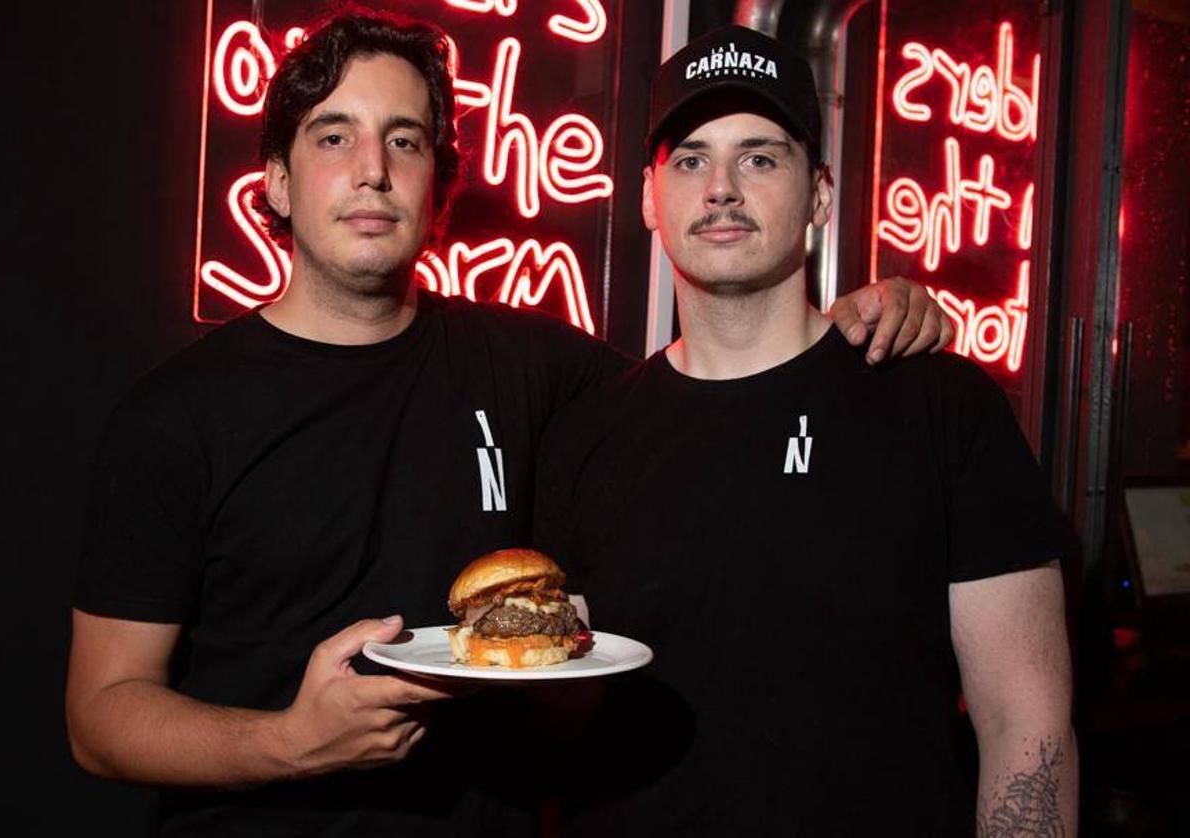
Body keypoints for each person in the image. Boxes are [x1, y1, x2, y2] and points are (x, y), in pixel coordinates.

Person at [66, 9, 949, 837]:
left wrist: (873, 311)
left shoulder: (528, 364)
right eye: (334, 135)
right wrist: (288, 742)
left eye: (404, 140)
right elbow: (101, 717)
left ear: (437, 181)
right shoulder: (175, 415)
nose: (372, 168)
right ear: (277, 183)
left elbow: (722, 380)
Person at [533, 24, 1077, 837]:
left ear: (820, 194)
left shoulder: (942, 407)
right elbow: (558, 720)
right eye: (689, 159)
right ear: (649, 198)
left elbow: (1027, 731)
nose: (720, 187)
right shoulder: (586, 431)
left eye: (759, 157)